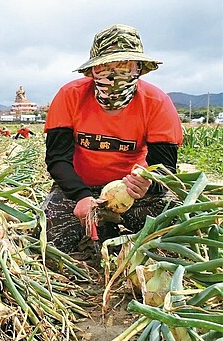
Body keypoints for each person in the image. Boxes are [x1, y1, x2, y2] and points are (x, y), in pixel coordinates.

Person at [43, 24, 182, 252]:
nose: (115, 75)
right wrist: (81, 195)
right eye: (106, 67)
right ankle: (104, 228)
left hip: (132, 192)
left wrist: (149, 182)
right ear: (93, 71)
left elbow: (165, 166)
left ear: (138, 69)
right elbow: (57, 159)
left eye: (125, 67)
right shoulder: (70, 96)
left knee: (171, 228)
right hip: (79, 186)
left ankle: (115, 229)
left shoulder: (157, 103)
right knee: (53, 242)